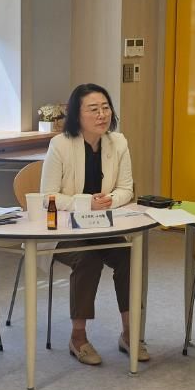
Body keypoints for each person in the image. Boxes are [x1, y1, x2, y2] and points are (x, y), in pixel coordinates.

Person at [40, 83, 149, 365]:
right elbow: (47, 197)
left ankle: (130, 333)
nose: (102, 115)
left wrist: (110, 199)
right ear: (77, 115)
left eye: (105, 107)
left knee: (128, 256)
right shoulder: (60, 145)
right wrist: (85, 202)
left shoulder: (118, 142)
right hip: (66, 229)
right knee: (88, 259)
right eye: (93, 109)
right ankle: (78, 337)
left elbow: (126, 188)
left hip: (104, 224)